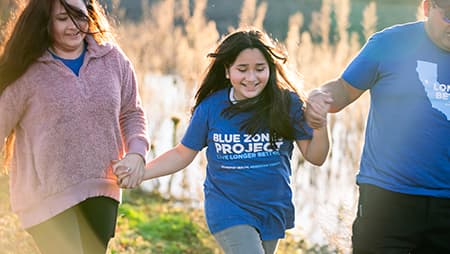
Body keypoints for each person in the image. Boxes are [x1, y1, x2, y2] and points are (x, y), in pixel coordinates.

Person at [115, 27, 330, 254]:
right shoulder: (211, 107)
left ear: (270, 69)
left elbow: (316, 157)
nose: (251, 78)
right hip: (228, 208)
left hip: (272, 209)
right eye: (242, 69)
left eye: (259, 69)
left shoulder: (288, 104)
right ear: (227, 71)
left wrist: (321, 125)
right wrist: (142, 173)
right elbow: (182, 154)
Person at [0, 0, 149, 253]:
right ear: (44, 22)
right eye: (62, 18)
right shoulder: (26, 70)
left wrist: (136, 153)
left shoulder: (113, 59)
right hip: (44, 197)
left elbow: (131, 112)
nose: (74, 26)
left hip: (102, 187)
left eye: (80, 16)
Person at [305, 0, 450, 253]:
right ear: (428, 8)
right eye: (448, 16)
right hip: (387, 200)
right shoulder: (389, 44)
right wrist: (320, 95)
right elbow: (343, 90)